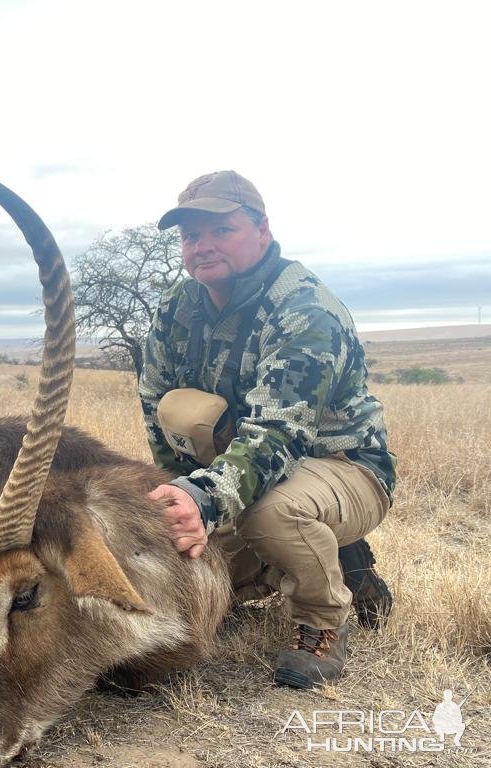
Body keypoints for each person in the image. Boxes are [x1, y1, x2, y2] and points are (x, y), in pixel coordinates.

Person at [139, 171, 396, 689]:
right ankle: (333, 559)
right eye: (190, 236)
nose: (202, 247)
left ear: (262, 230)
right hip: (243, 467)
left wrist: (203, 500)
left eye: (220, 230)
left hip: (343, 467)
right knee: (191, 571)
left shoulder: (305, 309)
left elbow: (278, 436)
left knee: (271, 513)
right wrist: (173, 498)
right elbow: (155, 404)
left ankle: (321, 621)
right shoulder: (178, 304)